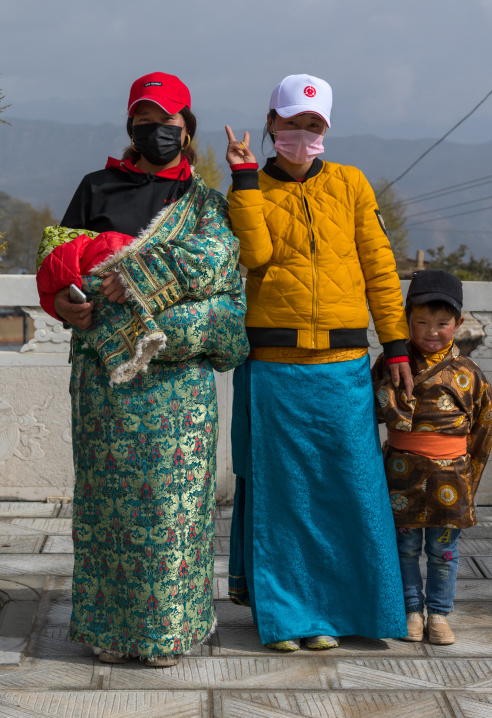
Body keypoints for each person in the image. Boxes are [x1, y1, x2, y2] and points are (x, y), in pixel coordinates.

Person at [36, 72, 249, 666]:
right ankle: (108, 630)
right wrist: (63, 302)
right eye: (146, 121)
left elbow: (221, 283)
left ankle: (168, 635)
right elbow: (59, 261)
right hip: (104, 382)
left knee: (171, 507)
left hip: (176, 387)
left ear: (188, 128)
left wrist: (140, 288)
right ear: (131, 125)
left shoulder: (202, 204)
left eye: (170, 122)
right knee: (105, 505)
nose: (159, 132)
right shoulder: (96, 187)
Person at [224, 74, 412, 651]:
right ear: (272, 123)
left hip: (344, 362)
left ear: (325, 129)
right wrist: (242, 177)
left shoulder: (352, 186)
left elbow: (380, 267)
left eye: (313, 125)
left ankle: (344, 610)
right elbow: (253, 255)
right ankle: (289, 616)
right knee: (284, 497)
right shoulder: (251, 186)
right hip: (275, 363)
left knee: (348, 489)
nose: (302, 134)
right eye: (291, 123)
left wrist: (397, 343)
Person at [372, 269, 492, 645]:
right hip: (401, 474)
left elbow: (486, 425)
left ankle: (440, 615)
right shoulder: (390, 363)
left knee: (443, 551)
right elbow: (368, 413)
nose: (431, 331)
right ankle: (412, 610)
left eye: (442, 323)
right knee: (405, 548)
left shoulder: (470, 373)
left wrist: (468, 480)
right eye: (421, 322)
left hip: (451, 478)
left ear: (458, 323)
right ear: (407, 319)